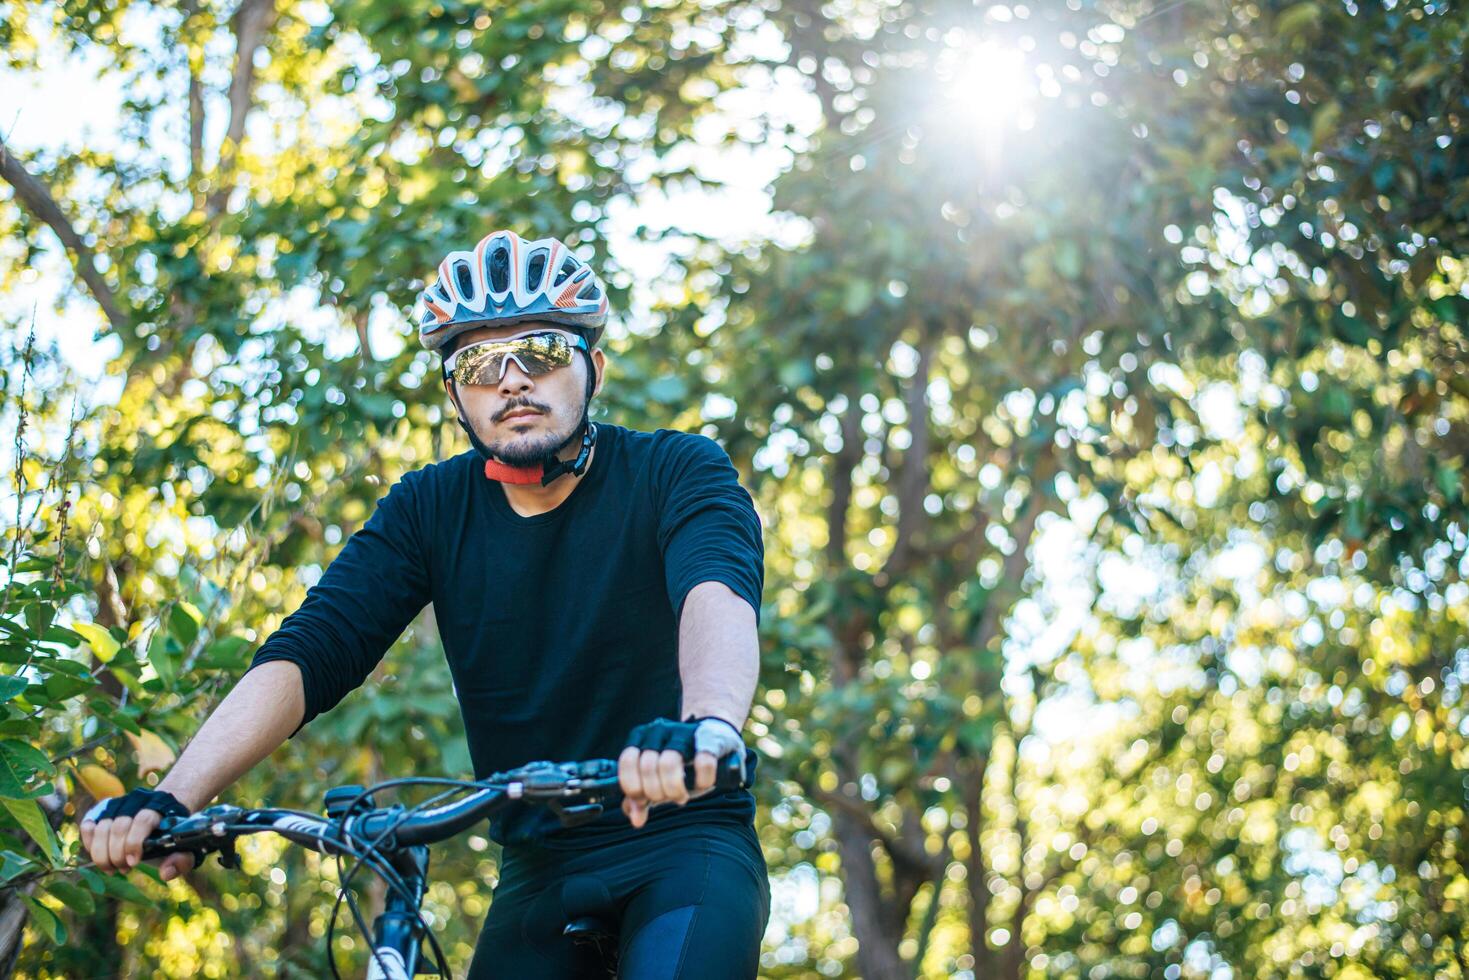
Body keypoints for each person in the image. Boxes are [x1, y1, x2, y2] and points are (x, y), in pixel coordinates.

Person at [79, 230, 771, 978]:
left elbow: (717, 593)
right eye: (478, 364)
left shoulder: (675, 470)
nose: (511, 380)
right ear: (454, 394)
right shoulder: (428, 509)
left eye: (539, 353)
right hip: (535, 867)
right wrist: (176, 797)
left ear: (591, 368)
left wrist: (705, 728)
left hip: (685, 839)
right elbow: (313, 650)